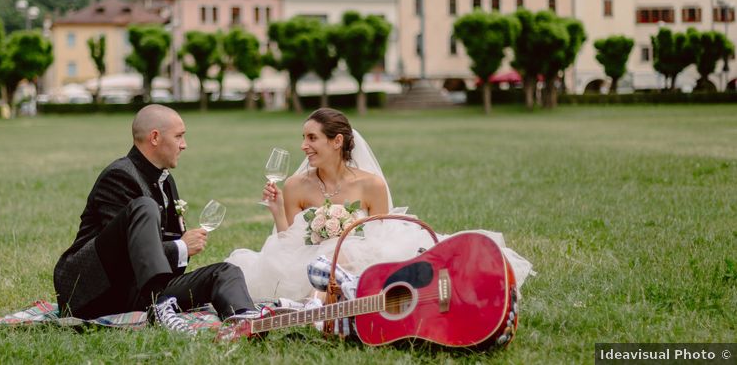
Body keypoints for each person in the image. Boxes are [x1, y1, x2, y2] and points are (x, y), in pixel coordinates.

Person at [226, 107, 533, 301]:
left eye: (312, 138)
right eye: (303, 137)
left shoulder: (370, 184)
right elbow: (287, 241)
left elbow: (382, 235)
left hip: (361, 252)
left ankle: (318, 303)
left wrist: (343, 243)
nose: (303, 146)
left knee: (377, 257)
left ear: (337, 141)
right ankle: (321, 302)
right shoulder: (295, 185)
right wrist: (277, 209)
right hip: (305, 258)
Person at [53, 104, 258, 333]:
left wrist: (181, 248)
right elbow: (126, 256)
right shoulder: (119, 175)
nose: (184, 145)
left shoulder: (166, 180)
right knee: (144, 205)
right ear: (155, 137)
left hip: (140, 293)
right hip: (90, 292)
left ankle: (245, 320)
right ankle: (160, 305)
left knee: (226, 271)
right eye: (179, 136)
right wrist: (181, 247)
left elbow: (158, 257)